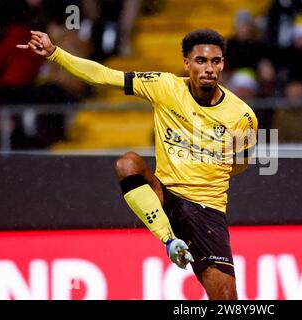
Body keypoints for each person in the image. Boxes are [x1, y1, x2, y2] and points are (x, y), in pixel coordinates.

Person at [18, 28, 258, 300]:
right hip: (164, 194)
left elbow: (240, 163)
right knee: (127, 164)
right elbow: (105, 76)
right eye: (201, 61)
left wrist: (210, 163)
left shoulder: (243, 116)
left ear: (223, 64)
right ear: (187, 63)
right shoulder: (165, 86)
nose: (209, 68)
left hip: (207, 212)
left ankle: (179, 243)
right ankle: (170, 242)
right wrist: (55, 54)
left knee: (227, 302)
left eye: (216, 61)